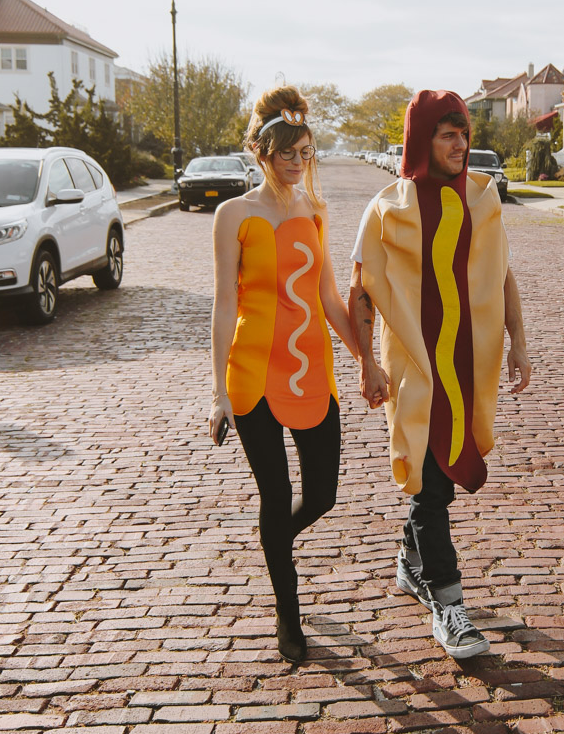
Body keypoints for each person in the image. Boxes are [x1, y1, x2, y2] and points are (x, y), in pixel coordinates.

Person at [349, 89, 532, 660]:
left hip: (466, 368)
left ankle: (410, 562)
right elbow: (360, 291)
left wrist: (518, 341)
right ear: (421, 139)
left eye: (464, 133)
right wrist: (367, 363)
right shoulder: (387, 208)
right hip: (415, 368)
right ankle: (449, 607)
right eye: (448, 134)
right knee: (430, 484)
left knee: (441, 480)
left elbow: (502, 274)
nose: (462, 144)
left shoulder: (482, 198)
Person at [209, 86, 356, 667]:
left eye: (306, 153)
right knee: (276, 496)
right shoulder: (234, 215)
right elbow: (224, 304)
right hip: (252, 373)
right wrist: (218, 392)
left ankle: (276, 545)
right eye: (287, 153)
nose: (298, 163)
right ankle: (288, 617)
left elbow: (328, 299)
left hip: (312, 370)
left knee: (323, 494)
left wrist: (365, 359)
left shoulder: (315, 213)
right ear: (261, 152)